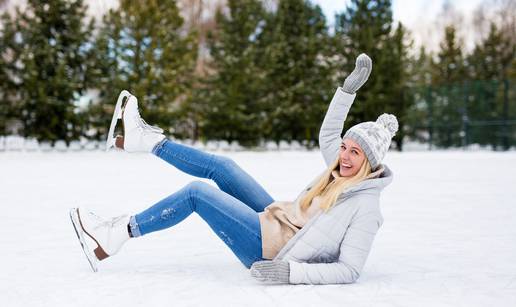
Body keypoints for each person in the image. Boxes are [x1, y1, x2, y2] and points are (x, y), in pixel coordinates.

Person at [69, 53, 398, 285]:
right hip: (277, 219)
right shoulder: (340, 170)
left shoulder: (366, 206)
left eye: (355, 152)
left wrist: (289, 272)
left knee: (197, 194)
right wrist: (347, 92)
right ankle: (146, 141)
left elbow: (349, 270)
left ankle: (115, 235)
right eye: (345, 147)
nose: (344, 155)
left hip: (274, 250)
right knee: (223, 167)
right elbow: (329, 134)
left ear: (369, 163)